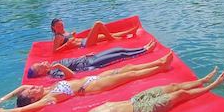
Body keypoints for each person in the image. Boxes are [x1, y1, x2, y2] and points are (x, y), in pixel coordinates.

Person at [0, 51, 173, 112]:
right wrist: (2, 111)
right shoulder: (48, 98)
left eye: (32, 87)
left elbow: (21, 89)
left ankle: (157, 62)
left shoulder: (46, 88)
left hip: (87, 79)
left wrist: (0, 100)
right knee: (130, 75)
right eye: (32, 90)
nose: (33, 87)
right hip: (90, 87)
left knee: (127, 68)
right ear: (34, 99)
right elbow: (21, 110)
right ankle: (161, 68)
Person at [33, 68, 224, 112]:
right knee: (180, 94)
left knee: (172, 86)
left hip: (134, 99)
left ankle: (202, 80)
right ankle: (213, 85)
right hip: (140, 111)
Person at [28, 40, 156, 79]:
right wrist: (58, 67)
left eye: (40, 62)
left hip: (88, 58)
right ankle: (145, 51)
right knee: (120, 55)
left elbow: (71, 61)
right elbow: (71, 74)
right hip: (91, 64)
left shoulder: (52, 64)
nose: (43, 62)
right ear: (41, 72)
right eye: (40, 65)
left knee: (118, 49)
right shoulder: (53, 73)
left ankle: (142, 47)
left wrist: (84, 56)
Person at [51, 18, 138, 53]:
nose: (61, 27)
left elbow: (71, 40)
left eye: (61, 25)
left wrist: (72, 35)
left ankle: (129, 32)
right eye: (58, 26)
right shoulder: (57, 37)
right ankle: (114, 40)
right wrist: (66, 45)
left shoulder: (63, 31)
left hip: (84, 40)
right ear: (53, 27)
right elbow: (55, 51)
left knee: (107, 35)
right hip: (84, 44)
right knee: (98, 24)